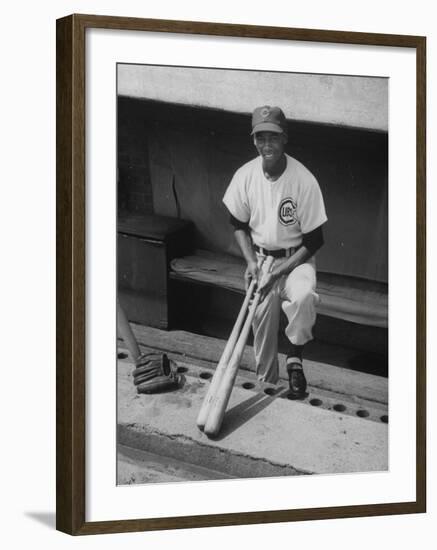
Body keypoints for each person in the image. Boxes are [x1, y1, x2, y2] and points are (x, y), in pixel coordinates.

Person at [222, 105, 327, 398]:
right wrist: (252, 263)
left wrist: (279, 270)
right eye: (260, 137)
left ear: (285, 139)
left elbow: (315, 240)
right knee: (261, 329)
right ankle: (268, 386)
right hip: (261, 260)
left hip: (297, 259)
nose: (266, 144)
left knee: (304, 296)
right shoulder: (245, 175)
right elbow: (238, 225)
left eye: (273, 137)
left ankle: (294, 357)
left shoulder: (303, 179)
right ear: (254, 140)